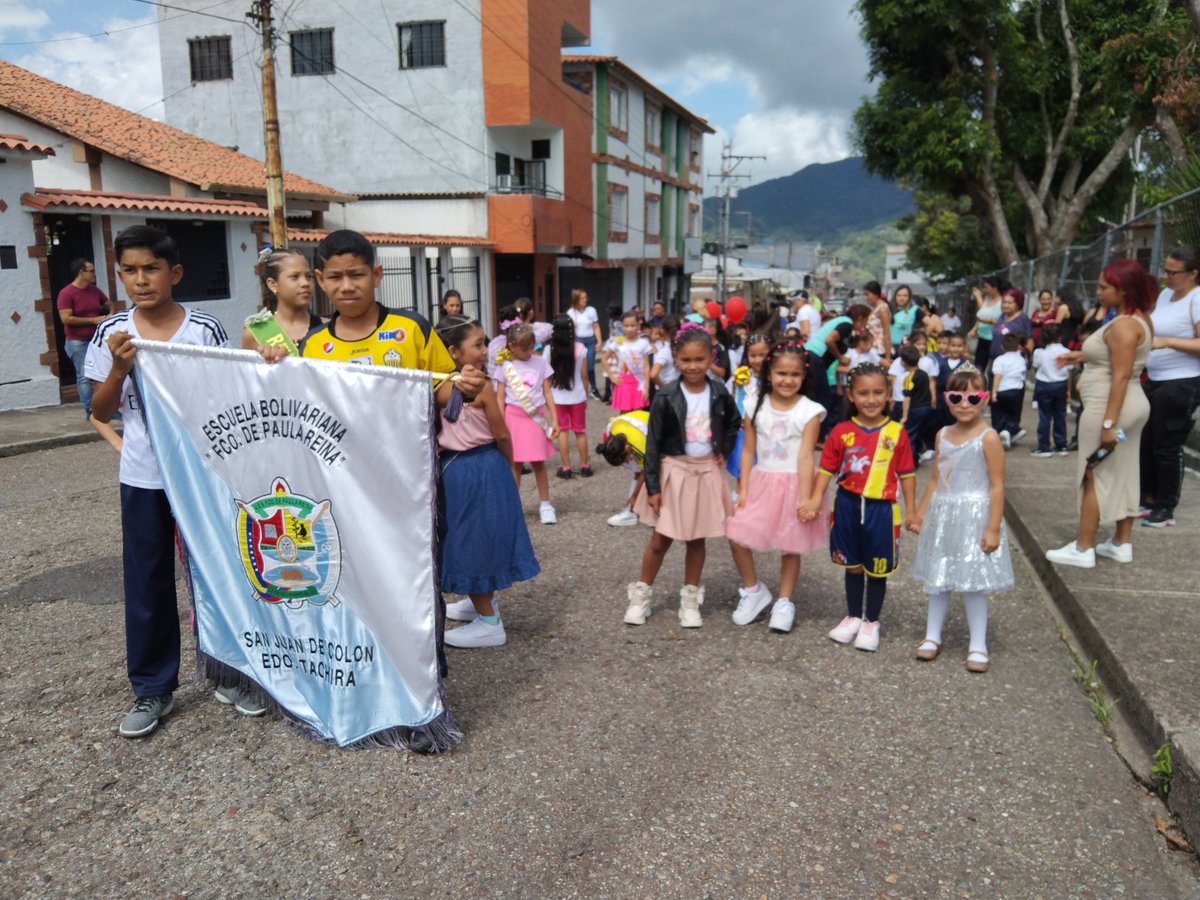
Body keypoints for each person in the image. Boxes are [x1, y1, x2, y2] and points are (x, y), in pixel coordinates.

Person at [85, 225, 264, 737]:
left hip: (202, 475)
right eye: (129, 270)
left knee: (217, 571)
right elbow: (100, 410)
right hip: (144, 476)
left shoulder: (202, 329)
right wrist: (118, 371)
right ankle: (152, 688)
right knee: (148, 581)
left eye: (151, 268)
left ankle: (231, 672)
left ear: (175, 273)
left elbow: (224, 400)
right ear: (119, 275)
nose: (141, 280)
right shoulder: (111, 333)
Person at [622, 325, 741, 628]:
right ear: (675, 357)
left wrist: (724, 449)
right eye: (686, 360)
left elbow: (733, 421)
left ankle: (689, 599)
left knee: (696, 539)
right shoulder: (666, 395)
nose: (693, 366)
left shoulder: (719, 392)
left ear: (710, 357)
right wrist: (652, 487)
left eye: (700, 359)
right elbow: (653, 444)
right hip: (673, 472)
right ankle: (641, 595)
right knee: (660, 539)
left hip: (705, 472)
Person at [435, 315, 539, 649]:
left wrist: (506, 468)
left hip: (470, 468)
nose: (485, 350)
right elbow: (502, 434)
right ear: (453, 352)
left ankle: (490, 622)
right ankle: (479, 602)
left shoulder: (445, 385)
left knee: (471, 542)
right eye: (477, 344)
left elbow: (502, 433)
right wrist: (507, 465)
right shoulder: (465, 383)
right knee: (473, 538)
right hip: (476, 466)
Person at [1046, 259, 1156, 569]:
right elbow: (1120, 358)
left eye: (1104, 287)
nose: (1098, 292)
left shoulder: (1123, 326)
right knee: (1125, 469)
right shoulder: (1139, 319)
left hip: (1110, 411)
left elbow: (1120, 376)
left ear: (1124, 290)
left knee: (1094, 470)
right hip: (1130, 412)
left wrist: (1108, 424)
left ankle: (1083, 548)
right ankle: (1120, 543)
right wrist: (1082, 356)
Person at [800, 362, 917, 652]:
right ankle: (853, 616)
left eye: (878, 392)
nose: (871, 399)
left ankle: (871, 622)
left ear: (888, 393)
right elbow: (826, 469)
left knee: (878, 569)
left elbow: (907, 474)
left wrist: (912, 511)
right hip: (846, 506)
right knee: (851, 566)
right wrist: (814, 499)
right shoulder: (841, 432)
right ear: (851, 395)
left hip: (882, 511)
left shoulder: (896, 432)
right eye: (863, 393)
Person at [294, 231, 483, 408]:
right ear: (321, 280)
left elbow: (441, 386)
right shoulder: (312, 345)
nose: (347, 287)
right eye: (335, 277)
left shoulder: (412, 328)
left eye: (356, 275)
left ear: (376, 275)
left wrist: (463, 387)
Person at [908, 365, 1013, 673]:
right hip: (944, 515)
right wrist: (921, 513)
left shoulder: (988, 438)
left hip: (974, 515)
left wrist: (993, 528)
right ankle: (932, 636)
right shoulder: (942, 435)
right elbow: (936, 479)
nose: (964, 404)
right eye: (956, 397)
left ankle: (978, 644)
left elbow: (997, 485)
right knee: (938, 578)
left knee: (972, 582)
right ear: (946, 398)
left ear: (985, 398)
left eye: (973, 397)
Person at [725, 342, 826, 632]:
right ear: (768, 373)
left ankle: (784, 601)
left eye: (795, 374)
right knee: (736, 533)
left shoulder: (809, 411)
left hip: (795, 483)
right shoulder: (753, 406)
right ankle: (753, 590)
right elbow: (748, 451)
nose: (787, 380)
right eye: (781, 373)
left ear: (804, 376)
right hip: (762, 481)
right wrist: (743, 489)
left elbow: (806, 456)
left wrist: (807, 498)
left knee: (791, 545)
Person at [1139, 245, 1200, 528]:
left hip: (1183, 380)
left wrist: (1168, 342)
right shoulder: (1165, 295)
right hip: (1155, 377)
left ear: (1193, 274)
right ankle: (1148, 497)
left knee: (1167, 444)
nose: (1167, 277)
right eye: (1165, 271)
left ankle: (1165, 507)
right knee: (1146, 438)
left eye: (1174, 273)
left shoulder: (1196, 298)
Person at [493, 321, 560, 524]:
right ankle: (514, 506)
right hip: (513, 419)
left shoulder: (540, 363)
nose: (529, 352)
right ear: (511, 347)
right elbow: (499, 398)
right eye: (525, 349)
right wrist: (499, 424)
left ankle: (546, 504)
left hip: (535, 419)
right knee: (515, 464)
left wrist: (554, 419)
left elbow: (548, 392)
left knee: (539, 463)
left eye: (532, 347)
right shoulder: (505, 367)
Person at [805, 302, 871, 433]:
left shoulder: (844, 324)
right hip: (815, 357)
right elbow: (829, 340)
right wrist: (840, 357)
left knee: (815, 396)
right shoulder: (847, 323)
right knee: (823, 398)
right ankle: (820, 434)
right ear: (860, 318)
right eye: (866, 320)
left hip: (813, 358)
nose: (865, 324)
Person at [57, 257, 110, 417]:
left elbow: (109, 303)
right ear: (81, 272)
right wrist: (93, 320)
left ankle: (107, 408)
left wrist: (110, 317)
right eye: (91, 271)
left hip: (97, 339)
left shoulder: (94, 290)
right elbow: (66, 319)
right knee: (84, 376)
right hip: (78, 341)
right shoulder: (66, 293)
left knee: (104, 372)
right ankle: (90, 411)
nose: (94, 274)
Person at [242, 249, 322, 353]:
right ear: (272, 284)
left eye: (309, 276)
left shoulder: (328, 327)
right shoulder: (254, 334)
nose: (305, 283)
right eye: (295, 276)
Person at [544, 314, 592, 479]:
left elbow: (546, 377)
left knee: (562, 431)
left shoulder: (548, 350)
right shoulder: (580, 348)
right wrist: (585, 394)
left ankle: (566, 468)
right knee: (580, 432)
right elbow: (584, 376)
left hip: (557, 398)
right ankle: (585, 466)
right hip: (577, 396)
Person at [725, 333, 769, 482]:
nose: (758, 360)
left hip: (766, 432)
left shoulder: (774, 377)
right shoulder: (741, 376)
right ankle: (741, 492)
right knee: (743, 470)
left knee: (764, 472)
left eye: (762, 355)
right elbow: (731, 398)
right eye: (753, 355)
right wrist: (736, 419)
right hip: (744, 430)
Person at [597, 409, 649, 527]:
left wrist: (634, 496)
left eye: (626, 459)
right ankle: (631, 510)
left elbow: (645, 471)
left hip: (662, 430)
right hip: (641, 424)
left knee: (654, 471)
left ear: (627, 448)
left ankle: (631, 511)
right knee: (637, 470)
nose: (627, 462)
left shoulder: (639, 445)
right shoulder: (613, 433)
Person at [1030, 324, 1072, 457]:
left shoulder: (1039, 352)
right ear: (1060, 336)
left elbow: (1035, 367)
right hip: (1060, 384)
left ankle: (1044, 447)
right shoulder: (1066, 351)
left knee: (1044, 416)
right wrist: (1068, 390)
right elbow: (1069, 373)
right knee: (1060, 415)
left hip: (1043, 384)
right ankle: (1061, 444)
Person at [603, 310, 653, 412]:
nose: (629, 329)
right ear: (621, 326)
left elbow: (646, 366)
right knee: (624, 414)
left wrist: (647, 387)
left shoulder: (644, 343)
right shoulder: (619, 341)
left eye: (632, 325)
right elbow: (604, 359)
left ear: (638, 325)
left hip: (639, 383)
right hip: (623, 383)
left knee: (637, 415)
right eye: (626, 326)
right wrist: (612, 377)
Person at [899, 345, 937, 461]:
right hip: (926, 407)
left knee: (910, 435)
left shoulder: (909, 377)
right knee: (920, 432)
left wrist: (904, 416)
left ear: (904, 362)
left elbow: (907, 398)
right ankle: (919, 454)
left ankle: (911, 461)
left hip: (916, 409)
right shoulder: (924, 374)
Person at [990, 332, 1028, 448]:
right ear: (1018, 347)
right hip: (1016, 391)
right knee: (1013, 414)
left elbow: (997, 376)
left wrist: (994, 392)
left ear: (1002, 347)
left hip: (1001, 390)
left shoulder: (999, 360)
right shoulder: (1021, 360)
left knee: (999, 414)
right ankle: (1010, 430)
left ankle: (1001, 433)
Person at [567, 289, 603, 401]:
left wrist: (599, 341)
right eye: (583, 298)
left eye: (586, 297)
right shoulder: (571, 312)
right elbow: (569, 330)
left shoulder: (591, 310)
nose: (585, 299)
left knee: (590, 367)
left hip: (590, 341)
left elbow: (596, 326)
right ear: (576, 299)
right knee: (578, 367)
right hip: (578, 341)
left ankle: (594, 389)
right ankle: (580, 390)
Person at [968, 276, 1006, 369]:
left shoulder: (1002, 302)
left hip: (993, 339)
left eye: (987, 287)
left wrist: (989, 321)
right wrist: (974, 329)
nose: (985, 290)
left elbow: (1002, 321)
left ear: (995, 288)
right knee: (978, 366)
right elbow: (981, 316)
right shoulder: (987, 300)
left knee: (993, 367)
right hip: (982, 337)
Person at [989, 289, 1033, 363]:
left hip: (1012, 364)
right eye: (1004, 302)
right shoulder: (1002, 316)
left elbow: (1030, 342)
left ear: (1018, 303)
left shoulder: (1023, 319)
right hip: (995, 360)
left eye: (1009, 303)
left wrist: (1024, 359)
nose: (1005, 305)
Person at [864, 280, 893, 366]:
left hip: (880, 349)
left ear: (875, 295)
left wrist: (888, 357)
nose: (865, 298)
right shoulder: (874, 308)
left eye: (867, 294)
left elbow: (887, 334)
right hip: (872, 347)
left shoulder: (882, 309)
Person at [649, 315, 680, 390]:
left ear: (663, 330)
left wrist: (664, 388)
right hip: (678, 389)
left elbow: (653, 375)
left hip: (667, 390)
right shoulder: (680, 347)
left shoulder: (665, 351)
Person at [890, 284, 917, 353]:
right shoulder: (888, 308)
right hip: (889, 346)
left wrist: (917, 339)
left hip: (906, 347)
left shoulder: (913, 310)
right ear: (895, 296)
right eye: (899, 295)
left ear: (909, 297)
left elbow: (929, 323)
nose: (901, 298)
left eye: (905, 296)